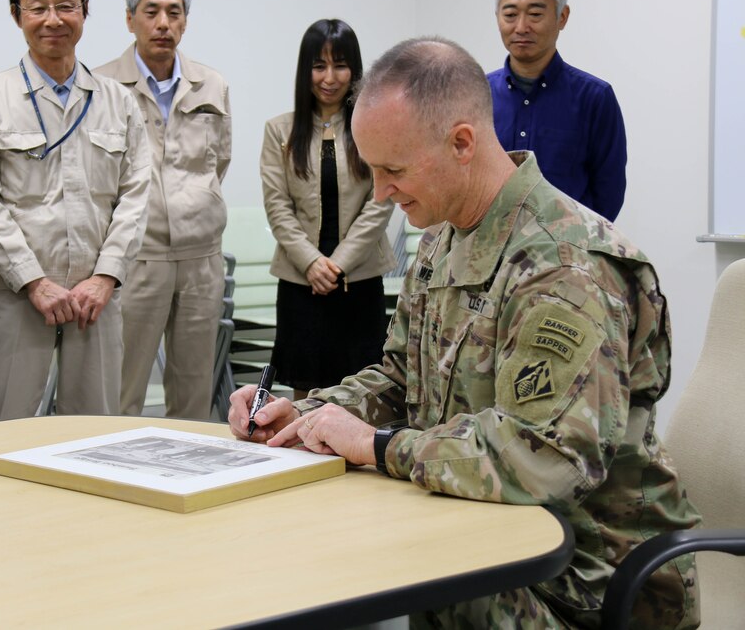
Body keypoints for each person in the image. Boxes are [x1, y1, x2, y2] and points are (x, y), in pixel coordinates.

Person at [231, 37, 700, 628]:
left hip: (582, 580)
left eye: (392, 170)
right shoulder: (441, 240)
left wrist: (379, 447)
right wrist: (305, 413)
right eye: (372, 171)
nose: (380, 194)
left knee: (395, 575)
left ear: (461, 143)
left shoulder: (566, 268)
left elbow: (545, 459)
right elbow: (401, 377)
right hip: (490, 532)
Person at [0, 0, 150, 421]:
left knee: (96, 432)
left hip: (95, 299)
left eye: (66, 5)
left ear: (85, 9)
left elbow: (135, 196)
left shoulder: (118, 101)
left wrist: (105, 277)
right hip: (17, 294)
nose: (53, 20)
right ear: (16, 15)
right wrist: (33, 281)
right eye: (37, 7)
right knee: (0, 426)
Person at [96, 0, 232, 419]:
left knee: (193, 390)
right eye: (151, 11)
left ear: (186, 21)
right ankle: (114, 471)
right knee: (123, 385)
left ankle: (187, 479)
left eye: (174, 13)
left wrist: (195, 205)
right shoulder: (102, 86)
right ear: (130, 18)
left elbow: (220, 162)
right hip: (137, 256)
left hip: (200, 257)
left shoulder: (211, 85)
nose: (163, 24)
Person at [260, 19, 394, 400]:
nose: (330, 77)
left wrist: (338, 264)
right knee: (304, 391)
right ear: (306, 70)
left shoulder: (374, 127)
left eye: (340, 65)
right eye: (319, 66)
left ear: (355, 69)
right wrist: (312, 264)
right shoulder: (279, 131)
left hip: (360, 281)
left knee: (364, 389)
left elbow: (381, 200)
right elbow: (277, 206)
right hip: (302, 284)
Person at [489, 0, 627, 221]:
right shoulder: (476, 95)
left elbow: (608, 195)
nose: (521, 27)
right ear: (498, 17)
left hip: (568, 255)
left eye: (535, 14)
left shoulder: (595, 98)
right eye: (510, 14)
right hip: (489, 256)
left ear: (562, 17)